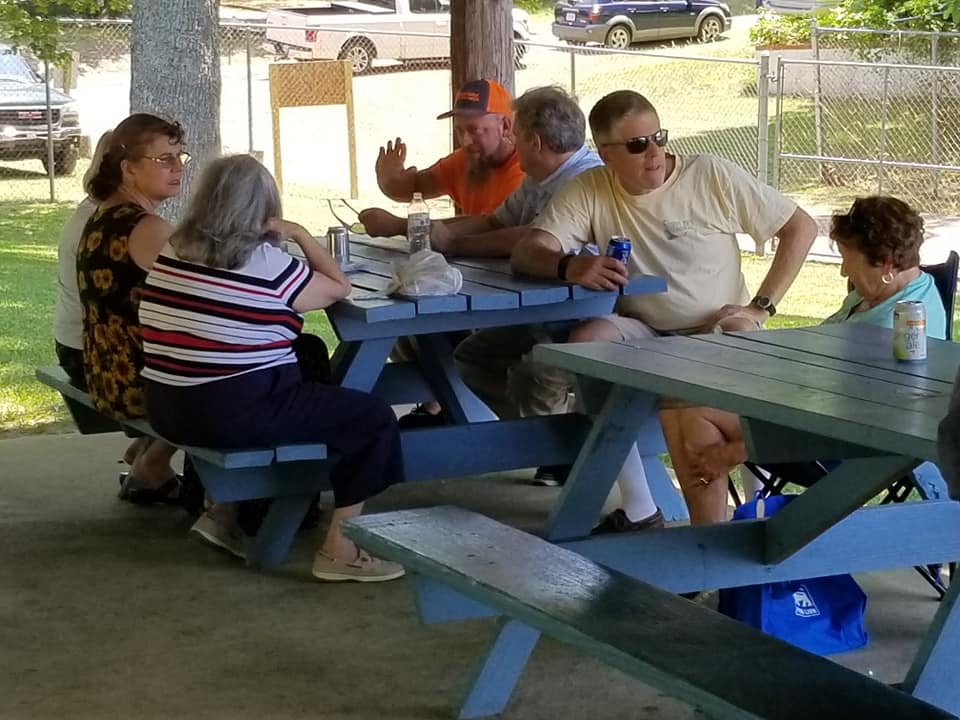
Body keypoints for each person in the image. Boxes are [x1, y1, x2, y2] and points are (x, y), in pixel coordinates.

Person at [455, 89, 817, 532]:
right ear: (605, 154)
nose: (654, 153)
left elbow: (800, 227)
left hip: (718, 331)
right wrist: (570, 265)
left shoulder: (709, 175)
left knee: (706, 388)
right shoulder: (591, 187)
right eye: (637, 144)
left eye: (658, 137)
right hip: (645, 330)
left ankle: (732, 526)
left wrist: (760, 306)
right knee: (585, 341)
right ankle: (641, 507)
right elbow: (530, 250)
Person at [139, 154, 405, 583]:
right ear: (264, 212)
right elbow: (339, 287)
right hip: (229, 412)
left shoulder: (173, 250)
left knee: (306, 351)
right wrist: (300, 234)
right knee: (373, 419)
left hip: (166, 406)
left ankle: (222, 511)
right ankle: (340, 548)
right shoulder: (267, 264)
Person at [680, 196, 946, 524]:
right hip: (818, 418)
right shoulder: (898, 291)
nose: (842, 270)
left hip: (849, 447)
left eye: (849, 260)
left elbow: (835, 415)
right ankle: (715, 543)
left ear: (887, 262)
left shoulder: (889, 328)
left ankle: (711, 547)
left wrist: (738, 450)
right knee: (690, 407)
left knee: (693, 413)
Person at [77, 113, 187, 504]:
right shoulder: (147, 228)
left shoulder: (102, 216)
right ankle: (160, 465)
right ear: (128, 169)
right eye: (163, 160)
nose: (177, 168)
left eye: (179, 157)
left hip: (103, 370)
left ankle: (150, 453)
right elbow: (207, 297)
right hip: (139, 382)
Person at [425, 85, 603, 258]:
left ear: (535, 143)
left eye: (515, 135)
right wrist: (435, 234)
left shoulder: (584, 180)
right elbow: (494, 223)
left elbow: (534, 238)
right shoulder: (539, 174)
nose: (512, 142)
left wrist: (454, 243)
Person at [359, 79, 524, 237]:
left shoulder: (524, 169)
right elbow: (414, 189)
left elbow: (490, 226)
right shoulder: (465, 161)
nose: (465, 141)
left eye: (474, 130)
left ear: (505, 126)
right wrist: (389, 180)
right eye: (460, 131)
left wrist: (401, 226)